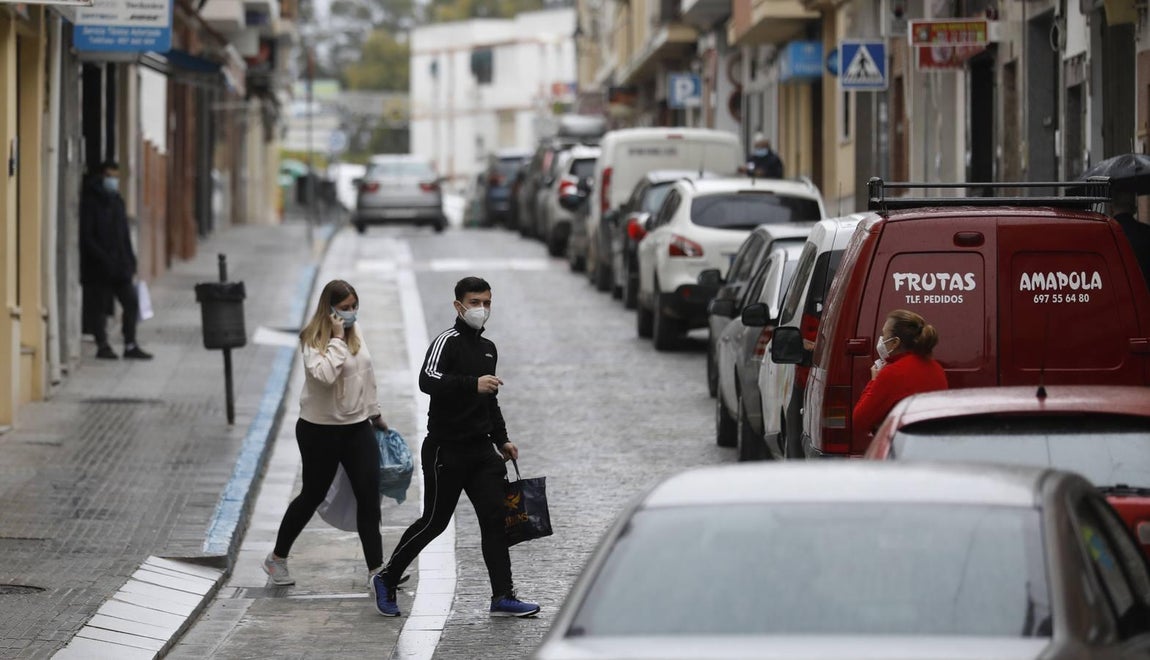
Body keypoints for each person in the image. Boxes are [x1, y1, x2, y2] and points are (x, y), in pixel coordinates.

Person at [372, 276, 540, 618]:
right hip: (445, 451)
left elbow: (489, 399)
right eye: (476, 302)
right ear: (459, 305)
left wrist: (502, 439)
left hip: (482, 453)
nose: (482, 309)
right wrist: (471, 384)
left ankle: (502, 596)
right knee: (435, 521)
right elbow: (427, 379)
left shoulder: (488, 348)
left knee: (495, 520)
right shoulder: (445, 342)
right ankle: (387, 578)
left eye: (487, 302)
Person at [263, 280, 391, 608]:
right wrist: (336, 340)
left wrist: (375, 414)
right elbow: (324, 375)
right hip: (319, 431)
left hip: (357, 428)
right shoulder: (313, 339)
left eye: (353, 306)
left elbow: (366, 374)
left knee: (369, 496)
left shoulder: (356, 332)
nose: (351, 313)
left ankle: (377, 570)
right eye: (345, 308)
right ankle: (277, 558)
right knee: (312, 494)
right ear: (330, 309)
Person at [79, 160, 152, 360]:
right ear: (102, 176)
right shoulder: (91, 201)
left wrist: (130, 260)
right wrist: (104, 259)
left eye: (117, 177)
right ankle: (102, 345)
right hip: (98, 267)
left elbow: (124, 235)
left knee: (131, 303)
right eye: (111, 176)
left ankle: (130, 344)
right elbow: (87, 237)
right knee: (99, 308)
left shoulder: (117, 201)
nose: (114, 181)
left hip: (120, 266)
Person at [852, 309, 948, 435]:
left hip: (902, 447)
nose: (881, 340)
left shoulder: (892, 373)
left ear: (895, 342)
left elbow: (859, 421)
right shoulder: (936, 368)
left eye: (884, 335)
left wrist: (874, 380)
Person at [1111, 192, 1150, 290]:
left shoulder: (1106, 232)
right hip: (1143, 293)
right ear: (1134, 208)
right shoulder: (1146, 232)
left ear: (1112, 207)